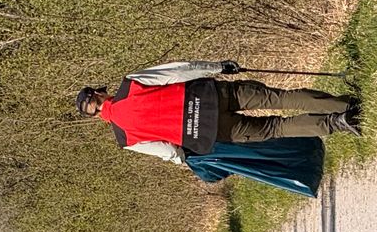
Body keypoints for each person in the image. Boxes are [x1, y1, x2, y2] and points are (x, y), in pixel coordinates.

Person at [76, 60, 361, 166]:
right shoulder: (131, 83)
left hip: (207, 133)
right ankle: (344, 105)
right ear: (100, 94)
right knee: (279, 97)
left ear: (95, 114)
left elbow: (166, 151)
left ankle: (338, 123)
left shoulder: (125, 138)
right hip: (212, 95)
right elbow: (178, 72)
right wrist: (217, 68)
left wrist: (186, 156)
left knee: (276, 128)